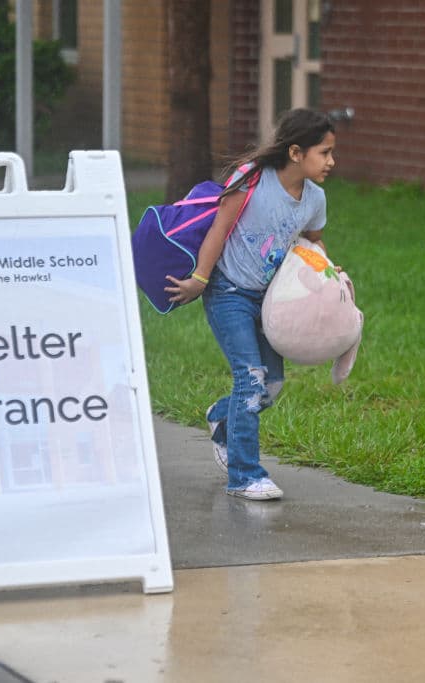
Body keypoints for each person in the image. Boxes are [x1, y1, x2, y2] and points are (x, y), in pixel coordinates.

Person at [164, 108, 336, 501]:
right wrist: (199, 280)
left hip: (269, 299)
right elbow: (220, 229)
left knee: (272, 385)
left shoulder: (315, 199)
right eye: (324, 152)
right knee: (252, 378)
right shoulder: (252, 180)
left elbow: (313, 240)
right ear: (296, 152)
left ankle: (222, 417)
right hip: (228, 291)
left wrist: (325, 271)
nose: (332, 162)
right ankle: (244, 475)